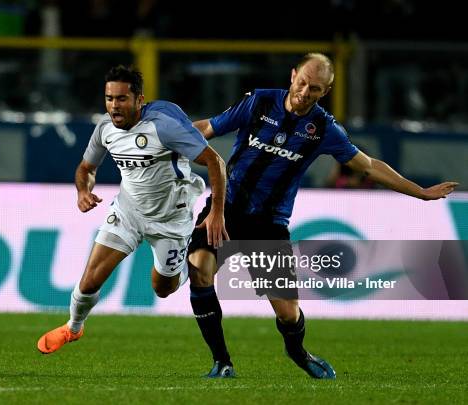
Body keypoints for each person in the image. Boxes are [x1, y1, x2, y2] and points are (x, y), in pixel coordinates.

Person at [187, 53, 459, 378]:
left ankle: (298, 352)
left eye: (314, 89)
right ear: (292, 76)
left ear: (325, 91)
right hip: (226, 208)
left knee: (288, 315)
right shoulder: (259, 102)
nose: (304, 92)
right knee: (200, 270)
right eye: (302, 83)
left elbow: (369, 166)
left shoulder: (323, 129)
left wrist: (420, 191)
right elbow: (210, 127)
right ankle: (222, 362)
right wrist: (169, 139)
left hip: (268, 224)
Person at [37, 65, 229, 354]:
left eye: (122, 99)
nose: (114, 106)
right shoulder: (105, 128)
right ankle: (73, 328)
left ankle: (183, 265)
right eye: (109, 98)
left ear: (139, 100)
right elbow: (86, 168)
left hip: (171, 220)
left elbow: (215, 162)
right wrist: (83, 190)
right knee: (89, 281)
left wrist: (216, 211)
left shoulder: (163, 128)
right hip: (128, 214)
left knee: (162, 289)